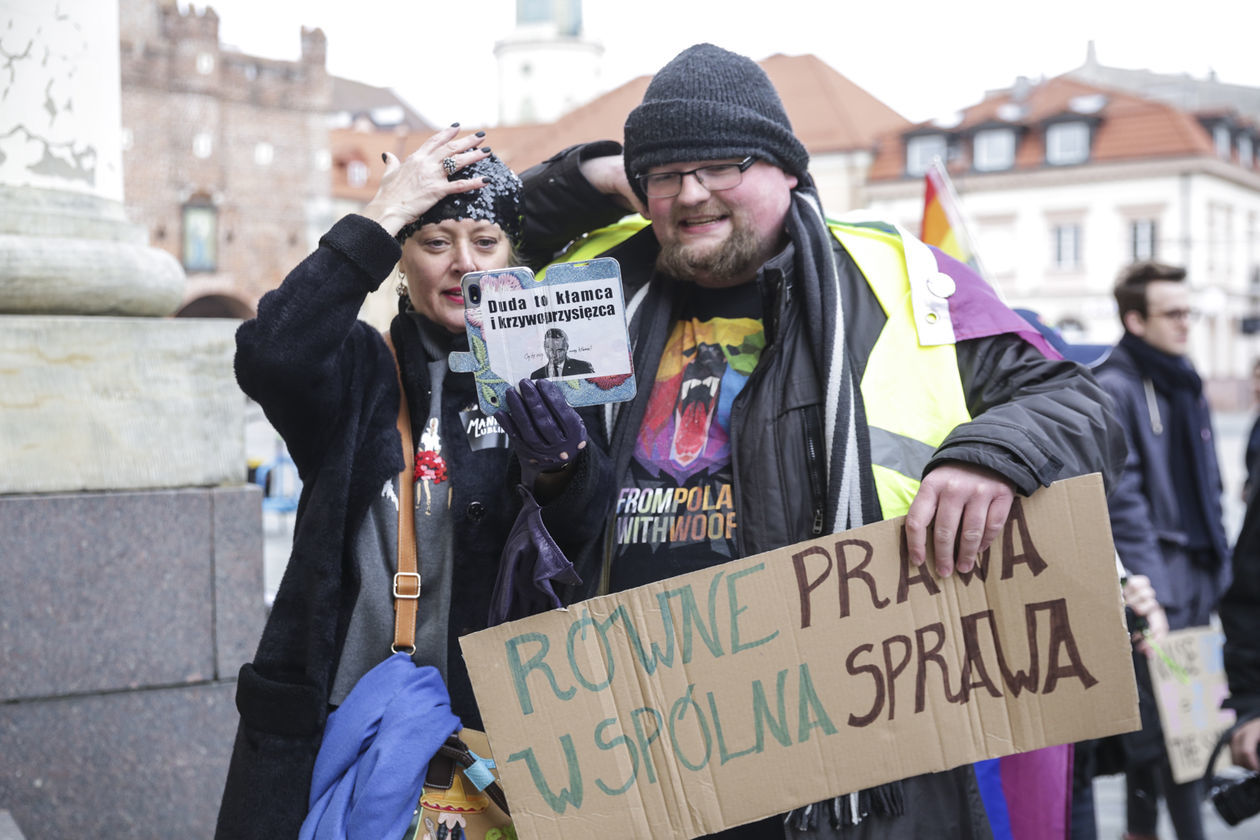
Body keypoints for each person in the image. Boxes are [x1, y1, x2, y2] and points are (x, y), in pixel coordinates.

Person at [518, 43, 1125, 840]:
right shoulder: (590, 284)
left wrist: (994, 455)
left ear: (788, 169)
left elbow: (1076, 401)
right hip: (638, 742)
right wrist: (598, 171)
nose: (690, 194)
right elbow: (465, 235)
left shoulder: (898, 278)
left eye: (719, 166)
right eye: (663, 174)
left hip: (850, 755)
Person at [214, 126, 611, 840]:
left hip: (488, 746)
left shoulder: (554, 369)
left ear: (512, 256)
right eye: (435, 243)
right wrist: (380, 214)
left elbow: (585, 544)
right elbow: (271, 355)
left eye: (485, 241)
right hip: (339, 736)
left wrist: (561, 469)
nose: (463, 264)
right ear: (401, 258)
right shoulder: (360, 370)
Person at [1094, 260, 1232, 840]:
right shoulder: (1114, 384)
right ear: (1134, 318)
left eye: (1188, 312)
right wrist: (1149, 594)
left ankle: (1143, 831)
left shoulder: (1182, 376)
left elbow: (1208, 482)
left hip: (1197, 576)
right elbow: (1123, 505)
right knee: (1170, 734)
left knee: (1186, 727)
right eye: (1172, 314)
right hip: (1158, 586)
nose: (1185, 324)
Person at [529, 326, 595, 379]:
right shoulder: (536, 376)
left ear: (567, 348)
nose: (554, 355)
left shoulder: (584, 368)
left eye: (559, 350)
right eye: (550, 350)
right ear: (544, 347)